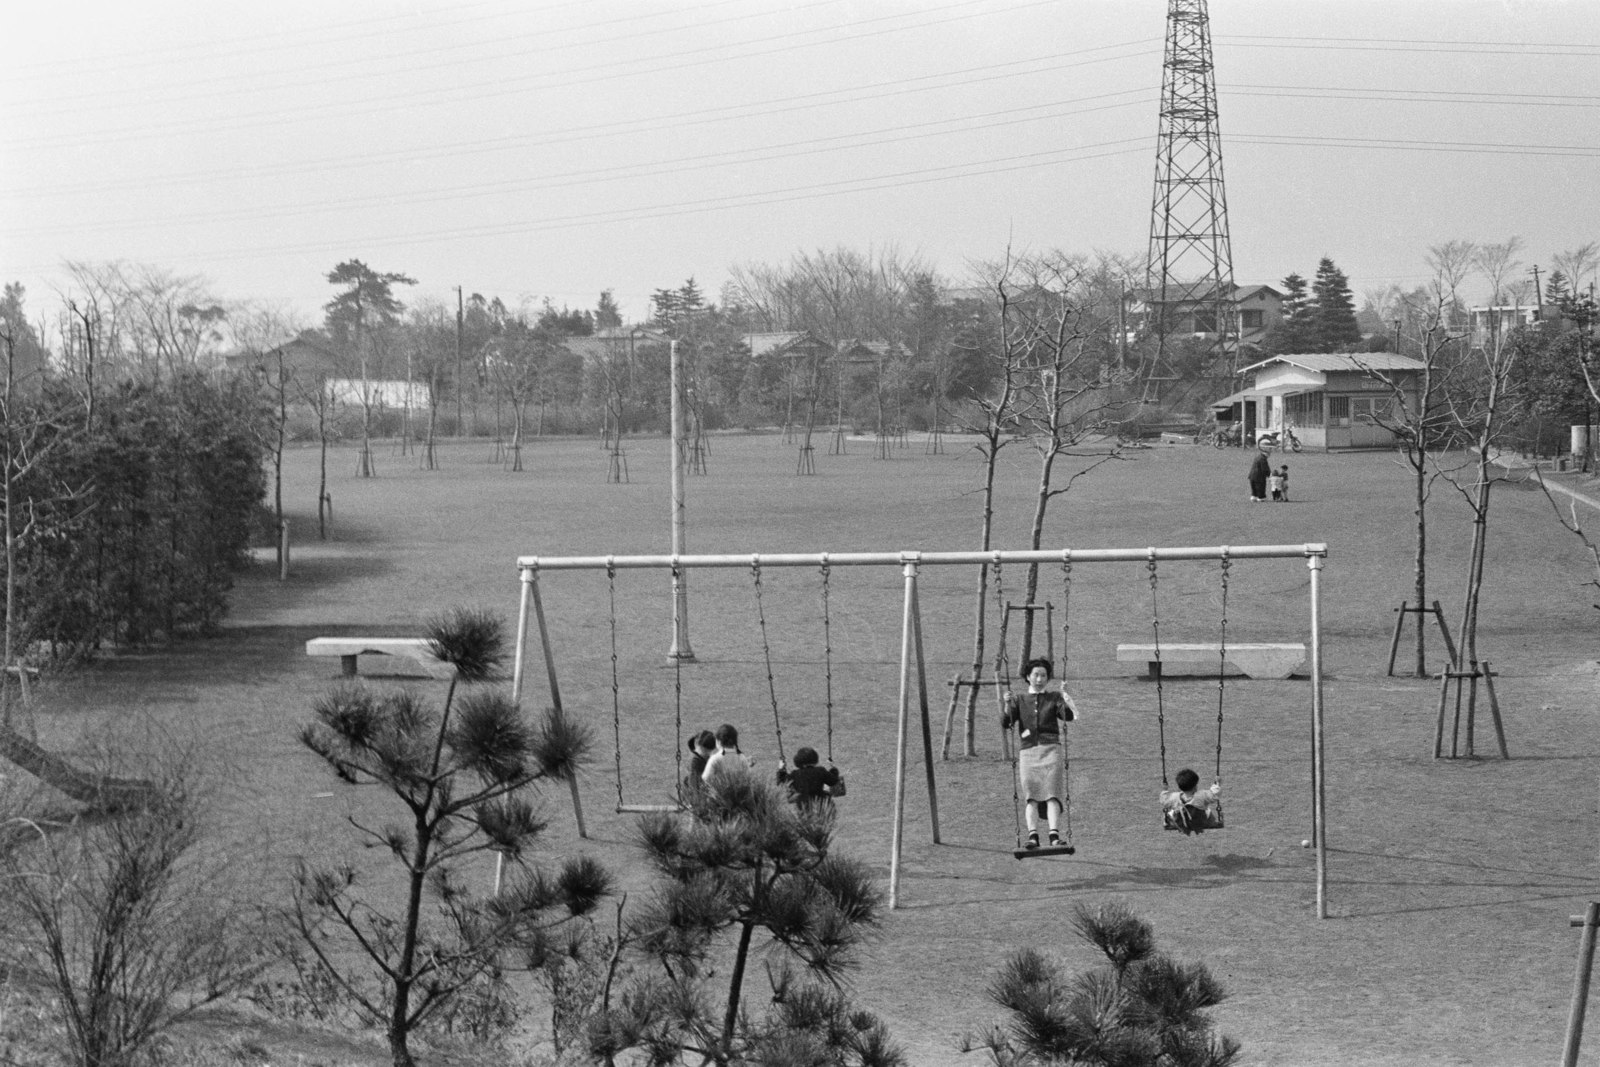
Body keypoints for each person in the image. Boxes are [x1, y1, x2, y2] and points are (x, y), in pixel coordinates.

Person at [1000, 657, 1079, 849]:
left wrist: (1066, 697)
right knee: (1031, 795)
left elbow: (1067, 717)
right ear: (1028, 677)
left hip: (1052, 752)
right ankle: (1033, 837)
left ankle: (1054, 836)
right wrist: (1006, 704)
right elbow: (1006, 722)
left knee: (1052, 794)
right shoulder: (1019, 699)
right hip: (1028, 753)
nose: (1039, 679)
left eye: (1043, 675)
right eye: (1036, 675)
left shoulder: (1054, 698)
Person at [1160, 768, 1223, 835]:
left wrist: (1165, 790)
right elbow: (1214, 795)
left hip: (1182, 823)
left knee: (1172, 812)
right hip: (1199, 822)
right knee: (1208, 811)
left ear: (1179, 787)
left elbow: (1164, 800)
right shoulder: (1202, 796)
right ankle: (1211, 823)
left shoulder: (1174, 797)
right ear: (1195, 786)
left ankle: (1169, 822)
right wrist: (1217, 784)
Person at [775, 746, 841, 808]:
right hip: (821, 804)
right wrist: (833, 769)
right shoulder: (820, 771)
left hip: (803, 807)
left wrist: (781, 769)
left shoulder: (795, 774)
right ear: (815, 759)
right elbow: (833, 781)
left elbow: (782, 782)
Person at [702, 723, 754, 790]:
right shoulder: (742, 757)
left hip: (720, 797)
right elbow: (748, 778)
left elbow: (706, 778)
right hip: (740, 797)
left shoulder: (715, 758)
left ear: (719, 741)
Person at [683, 729, 717, 799]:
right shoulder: (695, 761)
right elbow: (693, 782)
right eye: (705, 750)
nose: (707, 753)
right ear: (699, 745)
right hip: (697, 795)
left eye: (709, 751)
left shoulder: (704, 757)